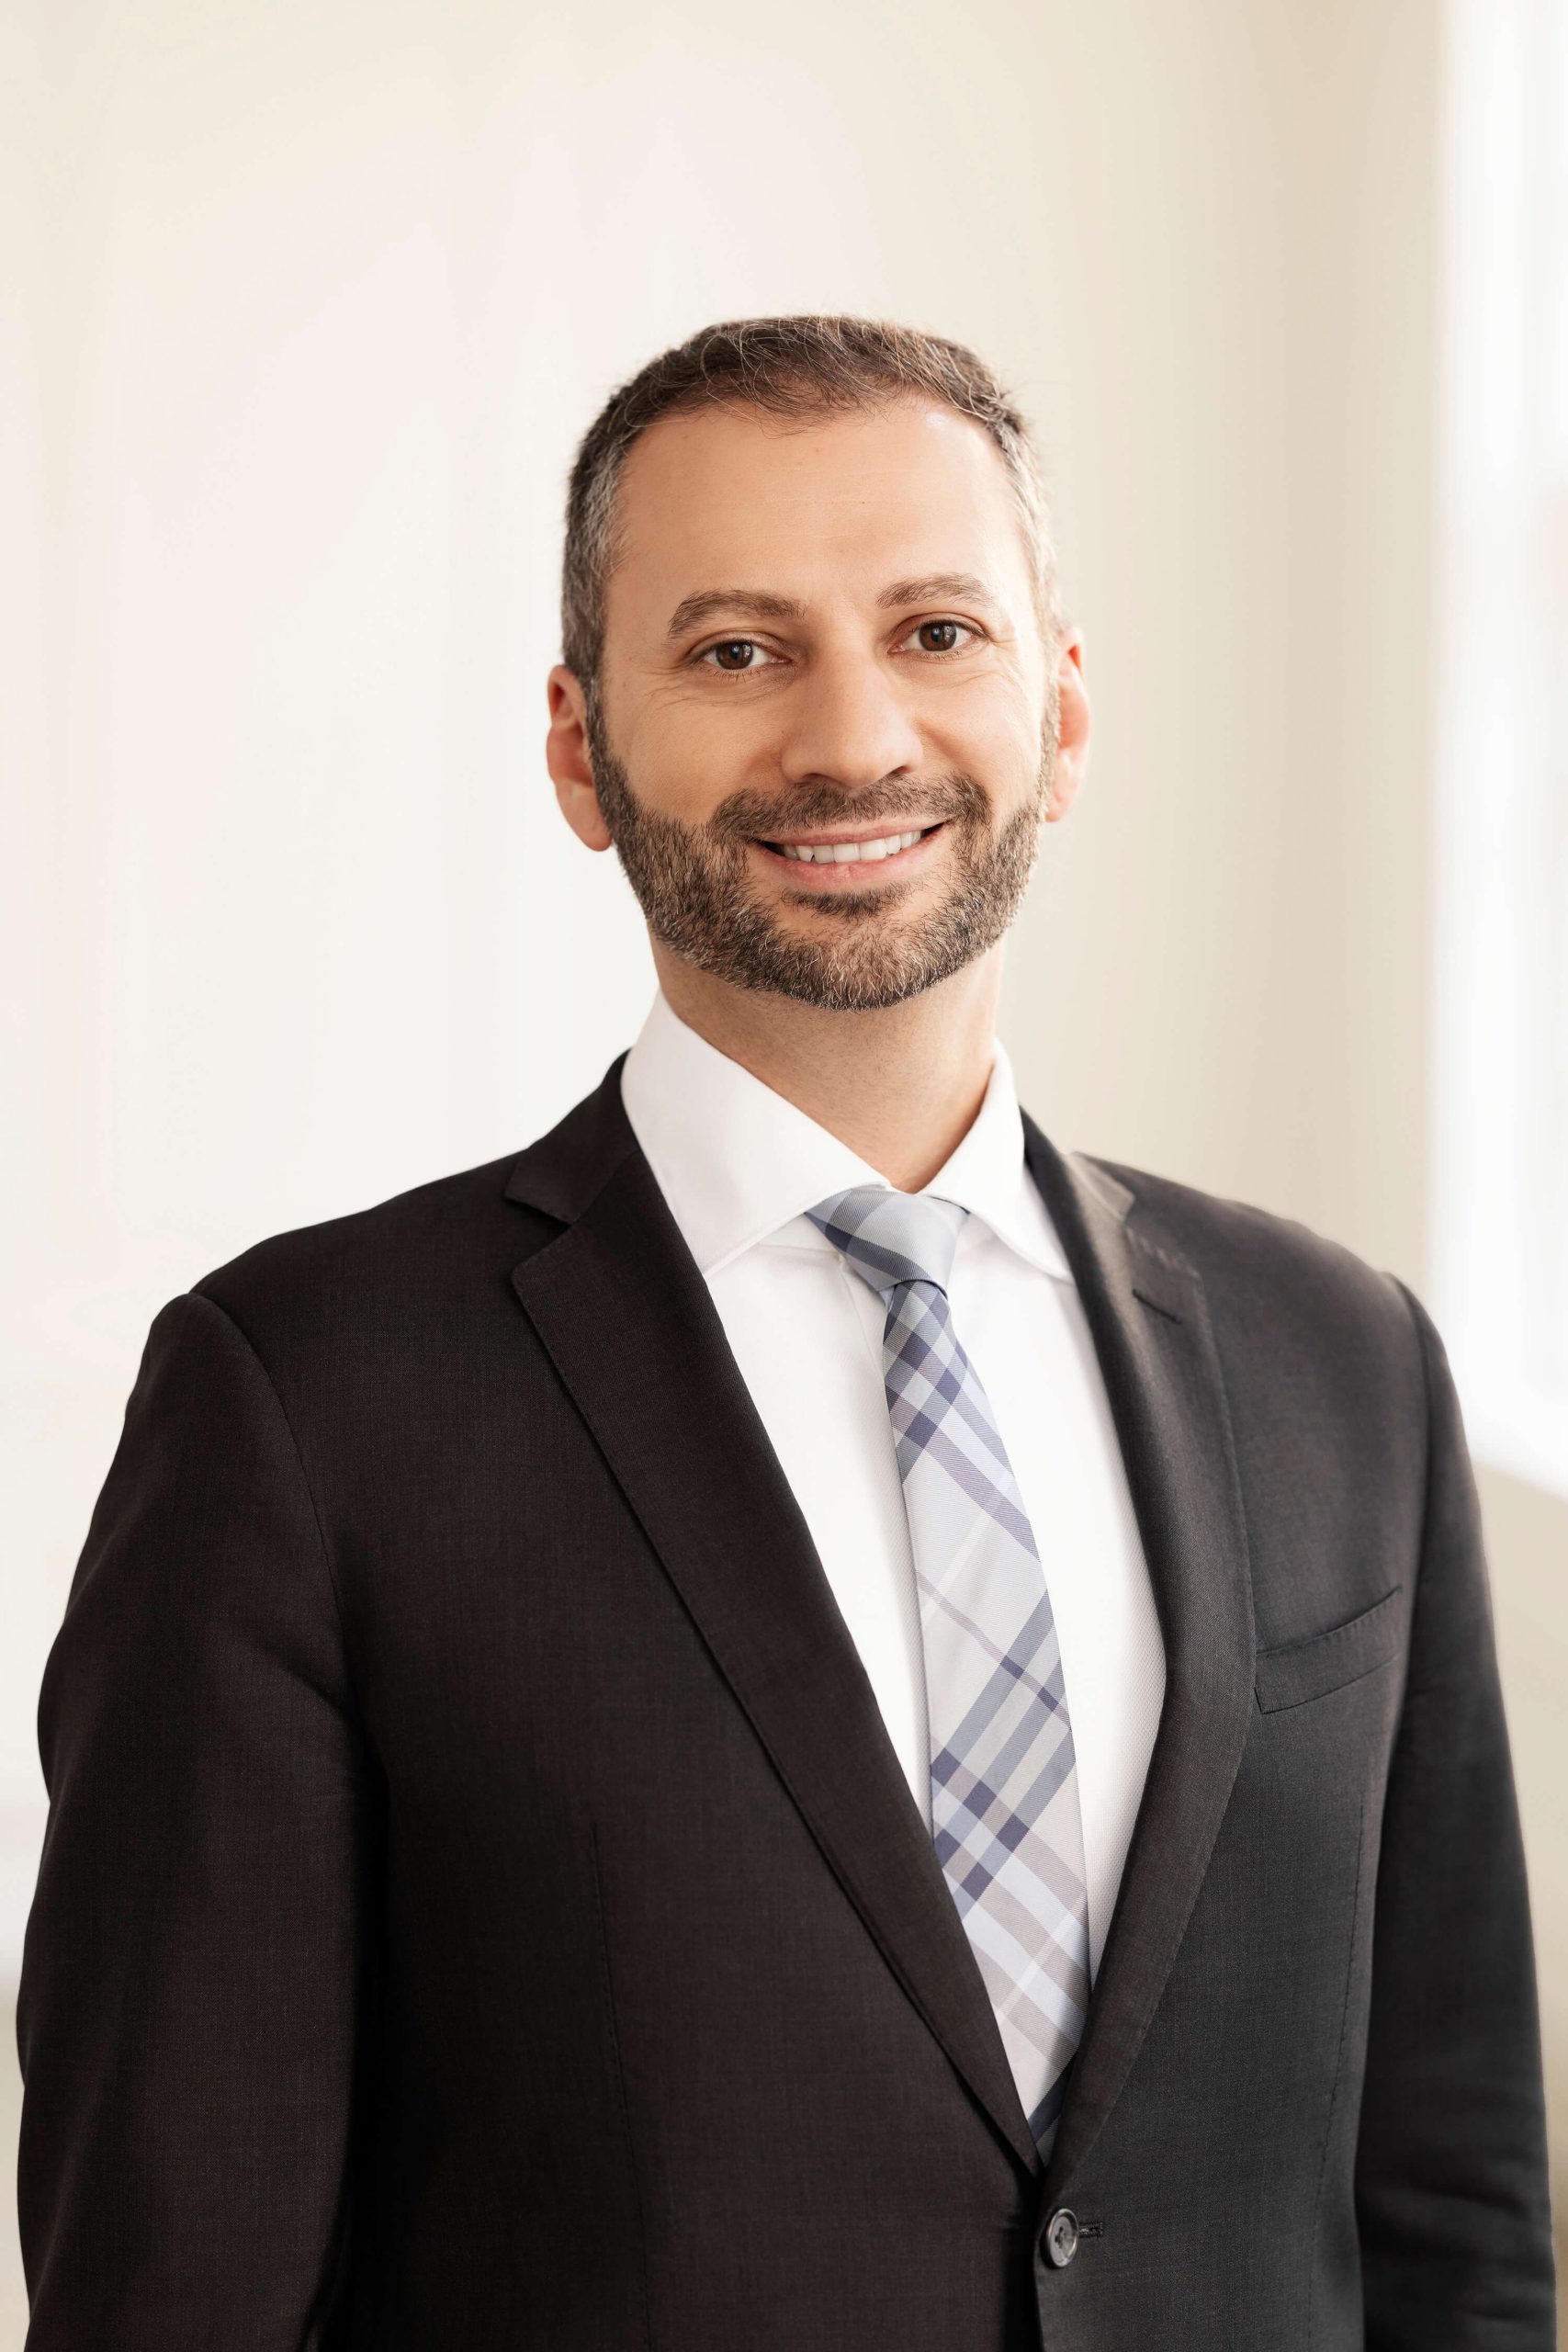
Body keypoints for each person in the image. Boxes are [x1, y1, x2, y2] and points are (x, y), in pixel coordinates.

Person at [17, 314, 1555, 2351]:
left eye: (935, 632)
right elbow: (177, 2286)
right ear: (580, 746)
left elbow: (1451, 2221)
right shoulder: (303, 1404)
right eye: (734, 650)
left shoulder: (1336, 1359)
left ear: (1063, 711)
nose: (851, 738)